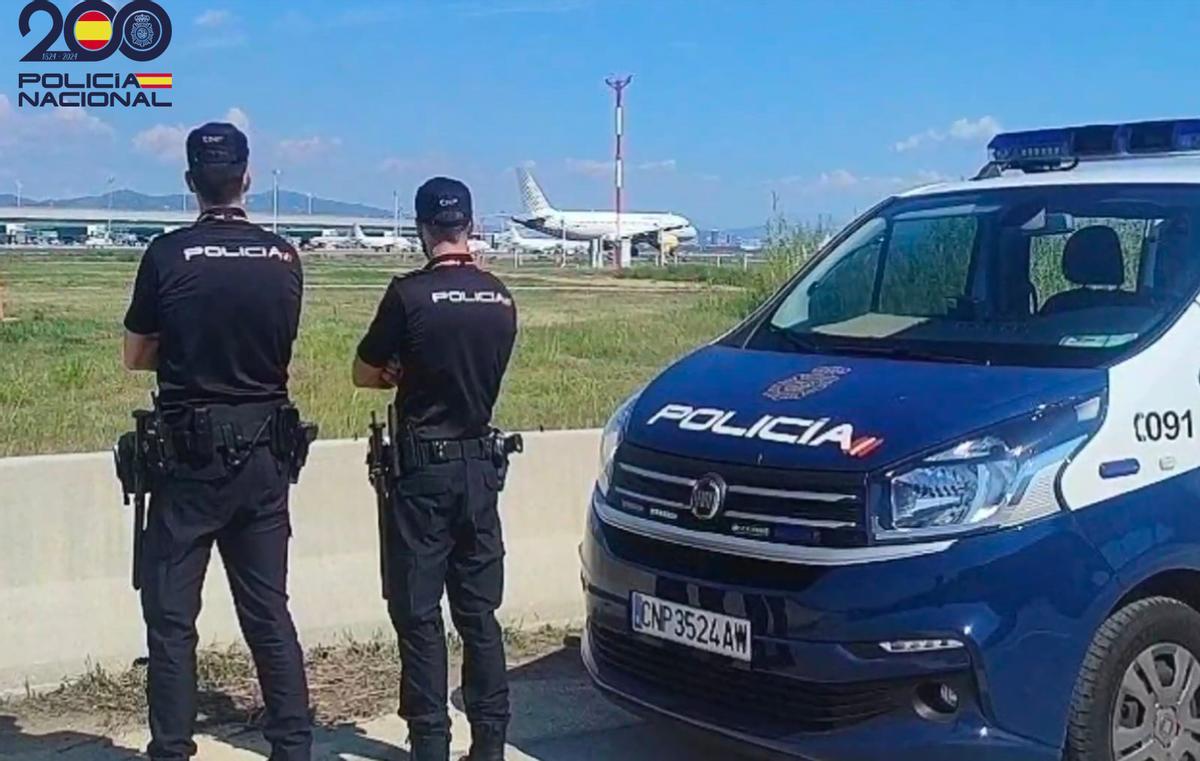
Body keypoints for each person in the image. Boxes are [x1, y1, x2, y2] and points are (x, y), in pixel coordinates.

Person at [122, 122, 312, 761]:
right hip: (264, 454)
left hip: (189, 460)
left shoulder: (167, 254)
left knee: (173, 622)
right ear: (247, 179)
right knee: (268, 612)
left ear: (189, 183)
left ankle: (171, 748)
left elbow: (136, 354)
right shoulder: (285, 257)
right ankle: (292, 743)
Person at [353, 177, 518, 761]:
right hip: (481, 466)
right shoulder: (500, 297)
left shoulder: (408, 295)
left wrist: (401, 371)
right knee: (479, 614)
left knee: (420, 614)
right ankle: (490, 743)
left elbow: (364, 372)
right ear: (468, 226)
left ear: (424, 229)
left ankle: (430, 745)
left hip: (423, 472)